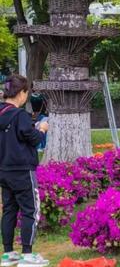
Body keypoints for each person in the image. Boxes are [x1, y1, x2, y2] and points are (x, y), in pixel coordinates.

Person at [0, 75, 49, 267]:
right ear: (21, 93)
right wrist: (42, 128)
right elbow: (34, 138)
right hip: (22, 170)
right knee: (30, 210)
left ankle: (8, 253)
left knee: (9, 210)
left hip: (4, 170)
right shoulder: (20, 115)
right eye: (26, 92)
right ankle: (27, 255)